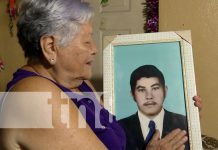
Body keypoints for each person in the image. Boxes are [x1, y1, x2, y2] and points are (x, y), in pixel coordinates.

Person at [0, 0, 201, 149]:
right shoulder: (34, 97)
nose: (95, 49)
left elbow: (112, 128)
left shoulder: (77, 82)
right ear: (51, 47)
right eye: (86, 41)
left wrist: (185, 113)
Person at [119, 65, 202, 150]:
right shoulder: (118, 128)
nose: (149, 96)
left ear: (165, 91)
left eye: (155, 88)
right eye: (141, 90)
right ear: (133, 95)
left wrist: (194, 123)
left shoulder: (185, 122)